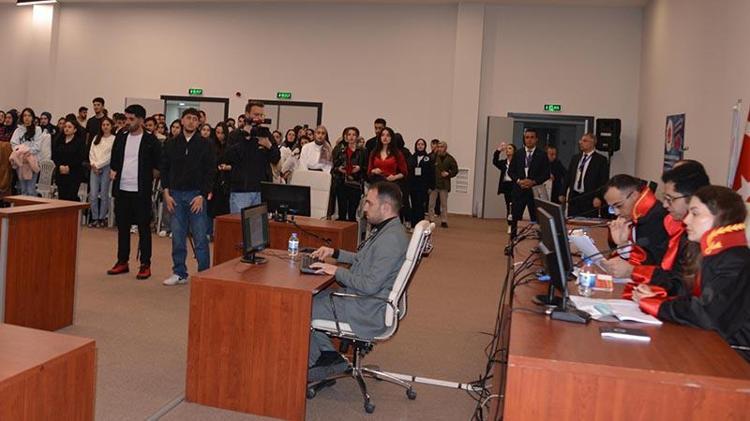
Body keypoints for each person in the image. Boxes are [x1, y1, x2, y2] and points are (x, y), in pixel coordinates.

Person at [632, 185, 750, 362]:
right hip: (713, 344)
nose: (686, 220)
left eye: (695, 214)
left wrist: (658, 306)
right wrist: (657, 295)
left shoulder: (736, 261)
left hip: (736, 355)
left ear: (721, 217)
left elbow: (707, 314)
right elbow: (687, 291)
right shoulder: (715, 253)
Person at [306, 182, 409, 379]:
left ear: (385, 207)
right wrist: (335, 253)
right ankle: (328, 357)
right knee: (314, 297)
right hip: (366, 301)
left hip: (367, 309)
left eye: (369, 203)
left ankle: (318, 364)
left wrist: (336, 271)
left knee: (301, 306)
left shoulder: (390, 240)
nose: (364, 208)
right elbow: (364, 259)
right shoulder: (389, 229)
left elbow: (369, 285)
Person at [609, 161, 710, 291]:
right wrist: (623, 245)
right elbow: (656, 261)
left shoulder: (704, 237)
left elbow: (681, 285)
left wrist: (633, 271)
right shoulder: (674, 224)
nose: (665, 205)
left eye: (670, 199)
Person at [160, 108, 216, 286]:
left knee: (200, 238)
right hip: (175, 195)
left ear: (199, 123)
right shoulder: (171, 143)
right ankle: (179, 272)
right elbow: (164, 169)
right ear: (182, 121)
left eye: (195, 119)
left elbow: (210, 171)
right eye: (188, 118)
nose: (191, 121)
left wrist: (202, 195)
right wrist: (166, 192)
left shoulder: (206, 144)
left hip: (196, 195)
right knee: (177, 237)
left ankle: (204, 274)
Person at [107, 104, 161, 280]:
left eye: (131, 119)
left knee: (144, 228)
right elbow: (114, 159)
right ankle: (122, 261)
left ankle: (145, 264)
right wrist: (113, 170)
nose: (127, 122)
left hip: (141, 191)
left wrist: (149, 178)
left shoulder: (151, 140)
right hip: (122, 189)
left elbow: (158, 166)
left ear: (141, 120)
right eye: (126, 118)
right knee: (123, 227)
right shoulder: (121, 137)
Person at [223, 101, 280, 213]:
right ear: (247, 114)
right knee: (239, 222)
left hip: (262, 189)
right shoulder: (236, 135)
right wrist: (245, 138)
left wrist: (269, 146)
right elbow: (229, 157)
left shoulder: (265, 133)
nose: (259, 118)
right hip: (241, 190)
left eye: (261, 115)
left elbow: (276, 158)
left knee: (259, 223)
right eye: (256, 114)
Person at [603, 174, 669, 266]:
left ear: (634, 195)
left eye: (619, 206)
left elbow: (651, 263)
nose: (616, 213)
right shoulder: (631, 216)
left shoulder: (657, 218)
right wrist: (622, 244)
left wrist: (625, 246)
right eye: (612, 208)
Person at [507, 129, 550, 229]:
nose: (529, 140)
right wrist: (519, 181)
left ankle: (536, 238)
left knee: (536, 219)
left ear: (536, 139)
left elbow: (546, 174)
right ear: (524, 139)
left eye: (532, 137)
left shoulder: (542, 155)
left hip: (534, 192)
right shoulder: (518, 154)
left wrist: (533, 182)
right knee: (515, 218)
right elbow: (511, 171)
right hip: (519, 191)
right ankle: (513, 238)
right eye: (527, 137)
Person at [562, 133, 609, 217]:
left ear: (592, 143)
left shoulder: (601, 160)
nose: (580, 142)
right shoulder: (575, 158)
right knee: (572, 221)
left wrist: (599, 197)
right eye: (581, 140)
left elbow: (603, 181)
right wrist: (563, 193)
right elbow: (568, 176)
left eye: (584, 141)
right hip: (574, 197)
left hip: (589, 198)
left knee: (587, 221)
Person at [332, 126, 367, 221]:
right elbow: (333, 166)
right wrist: (339, 169)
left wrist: (359, 168)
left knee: (352, 213)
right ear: (346, 137)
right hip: (341, 182)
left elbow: (366, 167)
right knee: (342, 212)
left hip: (356, 183)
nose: (351, 137)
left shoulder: (362, 151)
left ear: (357, 137)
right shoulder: (340, 150)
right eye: (349, 134)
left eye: (354, 135)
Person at [88, 117, 116, 227]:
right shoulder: (96, 137)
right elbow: (91, 152)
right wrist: (93, 164)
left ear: (111, 126)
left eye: (107, 125)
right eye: (103, 125)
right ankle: (94, 217)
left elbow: (110, 156)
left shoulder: (114, 139)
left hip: (106, 167)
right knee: (93, 194)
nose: (105, 127)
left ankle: (102, 218)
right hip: (94, 167)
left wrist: (98, 165)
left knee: (104, 194)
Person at [10, 108, 44, 196]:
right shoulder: (18, 130)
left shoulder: (37, 129)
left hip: (32, 162)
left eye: (29, 115)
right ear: (22, 117)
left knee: (30, 190)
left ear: (33, 118)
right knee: (23, 190)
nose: (27, 118)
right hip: (21, 162)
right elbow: (14, 144)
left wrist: (26, 151)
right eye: (25, 115)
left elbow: (37, 147)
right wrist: (21, 152)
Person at [51, 118, 86, 201]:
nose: (66, 129)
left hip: (74, 173)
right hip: (61, 172)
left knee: (71, 197)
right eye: (65, 127)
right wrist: (59, 166)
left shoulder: (79, 142)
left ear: (75, 130)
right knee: (62, 197)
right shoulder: (59, 140)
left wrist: (69, 167)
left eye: (69, 127)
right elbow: (55, 155)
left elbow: (80, 157)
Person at [428, 141, 458, 228]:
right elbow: (428, 170)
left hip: (444, 184)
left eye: (442, 147)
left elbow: (455, 170)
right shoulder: (433, 157)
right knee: (431, 203)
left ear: (445, 148)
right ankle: (431, 219)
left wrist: (448, 174)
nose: (440, 148)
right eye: (439, 147)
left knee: (444, 204)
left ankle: (444, 220)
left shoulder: (450, 159)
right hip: (434, 183)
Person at [407, 138, 434, 228]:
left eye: (422, 144)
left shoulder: (428, 158)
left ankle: (420, 225)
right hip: (413, 186)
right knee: (414, 205)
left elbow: (432, 173)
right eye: (418, 144)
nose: (420, 146)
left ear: (425, 146)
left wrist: (431, 186)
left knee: (421, 206)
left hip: (423, 186)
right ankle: (413, 225)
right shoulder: (412, 157)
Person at [209, 122, 231, 224]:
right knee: (213, 209)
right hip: (214, 180)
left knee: (224, 210)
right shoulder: (211, 146)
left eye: (222, 133)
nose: (220, 135)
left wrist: (227, 167)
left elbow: (234, 164)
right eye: (217, 132)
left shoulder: (230, 147)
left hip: (226, 181)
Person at [492, 142, 516, 230]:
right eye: (507, 149)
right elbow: (495, 161)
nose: (507, 150)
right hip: (506, 185)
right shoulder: (503, 163)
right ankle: (509, 224)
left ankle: (514, 223)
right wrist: (498, 150)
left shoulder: (517, 163)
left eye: (510, 148)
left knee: (514, 205)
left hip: (514, 185)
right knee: (508, 205)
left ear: (514, 151)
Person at [0, 110, 18, 196]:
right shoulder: (2, 129)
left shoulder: (16, 131)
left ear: (14, 119)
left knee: (9, 183)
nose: (7, 120)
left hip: (10, 161)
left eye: (9, 118)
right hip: (1, 160)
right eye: (6, 117)